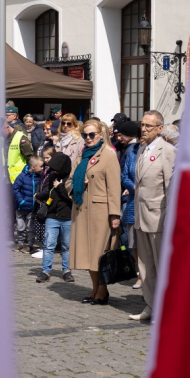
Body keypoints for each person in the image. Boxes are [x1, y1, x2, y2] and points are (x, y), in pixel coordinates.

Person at [130, 110, 177, 321]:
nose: (144, 129)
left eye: (149, 126)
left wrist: (170, 218)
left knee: (161, 266)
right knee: (145, 266)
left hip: (159, 216)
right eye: (142, 125)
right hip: (141, 215)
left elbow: (171, 187)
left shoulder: (167, 151)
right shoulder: (141, 149)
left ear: (159, 129)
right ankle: (150, 305)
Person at [70, 119, 121, 305]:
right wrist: (76, 184)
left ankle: (102, 290)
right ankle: (94, 289)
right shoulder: (82, 154)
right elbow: (69, 179)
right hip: (82, 210)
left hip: (101, 212)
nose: (88, 138)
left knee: (99, 254)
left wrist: (115, 214)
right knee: (87, 254)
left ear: (100, 134)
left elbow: (114, 187)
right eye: (85, 135)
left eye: (92, 135)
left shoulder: (108, 155)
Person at [35, 152, 74, 283]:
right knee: (49, 244)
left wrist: (60, 187)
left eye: (57, 168)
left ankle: (67, 271)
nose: (54, 171)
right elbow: (48, 192)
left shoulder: (71, 178)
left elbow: (71, 198)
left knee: (66, 246)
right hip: (52, 215)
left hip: (67, 216)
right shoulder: (52, 176)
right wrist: (39, 196)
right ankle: (45, 270)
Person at [118, 121, 142, 288]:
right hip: (134, 198)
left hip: (150, 201)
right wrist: (132, 187)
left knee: (147, 241)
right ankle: (139, 273)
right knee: (133, 241)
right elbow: (124, 174)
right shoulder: (131, 152)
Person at [13, 155, 43, 253]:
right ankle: (20, 243)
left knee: (31, 227)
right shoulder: (22, 176)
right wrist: (21, 200)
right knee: (20, 226)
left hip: (32, 207)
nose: (42, 168)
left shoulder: (40, 176)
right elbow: (16, 188)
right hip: (21, 206)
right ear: (33, 166)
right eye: (41, 166)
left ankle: (29, 244)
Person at [31, 146, 56, 259]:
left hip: (47, 201)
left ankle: (46, 248)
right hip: (40, 201)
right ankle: (42, 246)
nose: (46, 160)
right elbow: (40, 183)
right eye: (44, 158)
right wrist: (36, 194)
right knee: (39, 224)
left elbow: (48, 189)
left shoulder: (53, 171)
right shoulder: (45, 170)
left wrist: (39, 195)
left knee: (46, 226)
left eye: (48, 157)